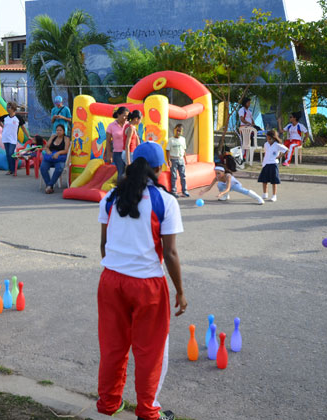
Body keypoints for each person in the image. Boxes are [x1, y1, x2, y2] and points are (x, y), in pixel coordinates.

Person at [97, 141, 185, 420]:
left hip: (111, 280)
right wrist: (180, 291)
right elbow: (169, 253)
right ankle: (148, 412)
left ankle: (109, 404)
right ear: (160, 168)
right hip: (147, 285)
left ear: (133, 163)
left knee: (113, 346)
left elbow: (104, 244)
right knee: (151, 351)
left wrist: (117, 266)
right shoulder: (165, 201)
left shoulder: (110, 197)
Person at [200, 162, 264, 204]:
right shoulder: (216, 178)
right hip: (226, 186)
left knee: (244, 191)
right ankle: (226, 196)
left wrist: (221, 193)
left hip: (235, 185)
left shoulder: (228, 176)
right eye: (216, 173)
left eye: (218, 173)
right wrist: (203, 191)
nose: (217, 175)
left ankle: (259, 198)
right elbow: (209, 187)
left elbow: (228, 188)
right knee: (219, 184)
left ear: (223, 172)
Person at [0, 102, 32, 175]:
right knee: (8, 154)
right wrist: (3, 126)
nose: (7, 108)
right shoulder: (5, 117)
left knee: (11, 153)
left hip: (13, 139)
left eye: (9, 107)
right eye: (7, 107)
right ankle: (11, 169)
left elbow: (23, 128)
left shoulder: (18, 117)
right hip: (5, 137)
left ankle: (13, 169)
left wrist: (28, 136)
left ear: (13, 108)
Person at [258, 129, 288, 202]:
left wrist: (280, 156)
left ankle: (274, 196)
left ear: (273, 137)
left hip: (273, 164)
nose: (267, 139)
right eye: (267, 138)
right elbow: (266, 153)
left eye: (269, 138)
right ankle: (265, 193)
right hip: (266, 163)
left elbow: (286, 150)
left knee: (274, 181)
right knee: (264, 180)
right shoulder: (266, 144)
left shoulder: (277, 145)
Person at [40, 124, 70, 194]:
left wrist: (58, 153)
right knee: (43, 167)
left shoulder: (66, 138)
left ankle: (50, 185)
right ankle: (49, 185)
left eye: (60, 130)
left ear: (63, 131)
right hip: (50, 157)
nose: (58, 132)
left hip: (60, 157)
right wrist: (48, 151)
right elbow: (47, 147)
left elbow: (66, 150)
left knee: (59, 168)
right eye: (57, 130)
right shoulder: (53, 137)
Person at [105, 106, 129, 179]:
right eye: (124, 115)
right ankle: (120, 189)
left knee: (128, 172)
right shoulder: (111, 126)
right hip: (117, 153)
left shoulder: (128, 125)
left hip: (128, 152)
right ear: (118, 114)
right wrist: (109, 154)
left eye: (127, 116)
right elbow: (108, 141)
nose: (125, 117)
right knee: (121, 172)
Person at [166, 124, 189, 197]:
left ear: (182, 132)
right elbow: (167, 150)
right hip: (173, 159)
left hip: (181, 159)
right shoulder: (171, 140)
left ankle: (184, 190)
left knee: (183, 176)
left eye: (180, 131)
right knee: (174, 176)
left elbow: (184, 149)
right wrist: (168, 160)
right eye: (177, 130)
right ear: (174, 130)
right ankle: (174, 191)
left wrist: (185, 159)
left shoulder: (183, 139)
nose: (178, 132)